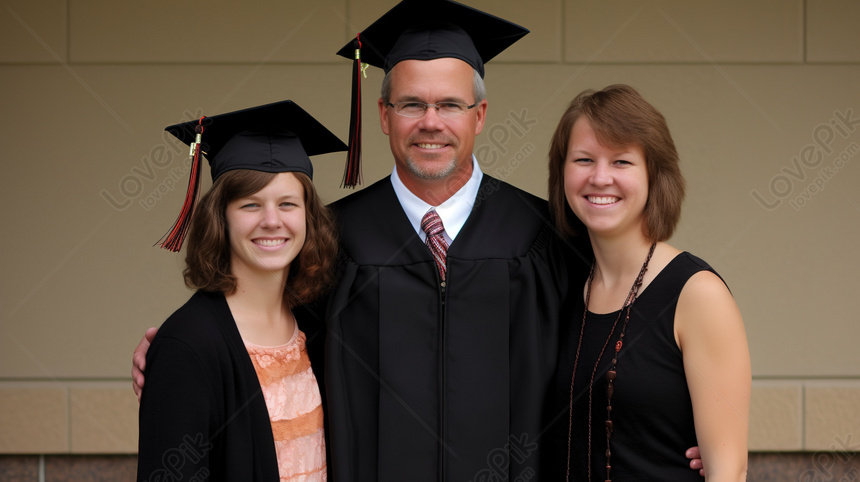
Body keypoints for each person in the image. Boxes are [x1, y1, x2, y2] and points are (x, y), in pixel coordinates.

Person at [133, 2, 705, 480]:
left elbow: (604, 350)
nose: (431, 121)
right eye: (411, 104)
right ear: (383, 115)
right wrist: (183, 360)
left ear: (480, 115)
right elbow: (266, 341)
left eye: (450, 104)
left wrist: (684, 422)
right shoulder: (330, 241)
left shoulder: (548, 235)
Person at [547, 84, 751, 481]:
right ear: (562, 172)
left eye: (621, 162)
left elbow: (728, 471)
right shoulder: (561, 284)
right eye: (584, 159)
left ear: (655, 176)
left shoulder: (696, 294)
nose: (600, 177)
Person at [136, 101, 345, 481]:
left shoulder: (316, 326)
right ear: (221, 217)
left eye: (287, 204)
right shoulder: (189, 345)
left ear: (309, 217)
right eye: (250, 205)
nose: (271, 221)